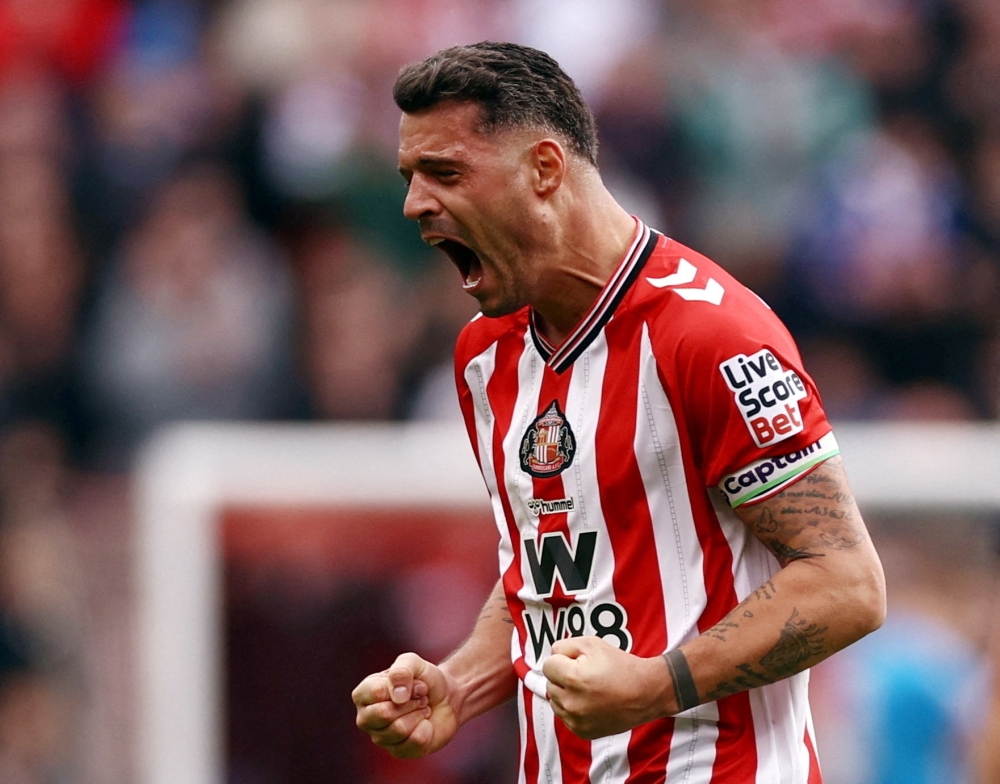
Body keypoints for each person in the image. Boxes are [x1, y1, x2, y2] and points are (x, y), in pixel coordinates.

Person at [352, 41, 886, 783]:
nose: (415, 204)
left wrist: (657, 685)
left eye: (445, 173)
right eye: (411, 177)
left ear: (544, 169)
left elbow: (847, 585)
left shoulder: (713, 335)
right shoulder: (485, 356)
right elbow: (549, 577)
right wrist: (460, 684)